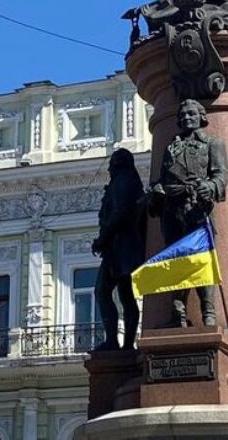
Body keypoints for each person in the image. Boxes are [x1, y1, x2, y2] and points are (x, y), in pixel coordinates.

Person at [148, 99, 228, 327]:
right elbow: (162, 178)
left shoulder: (212, 144)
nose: (186, 117)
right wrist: (157, 189)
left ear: (201, 116)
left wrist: (211, 187)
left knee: (201, 261)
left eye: (191, 113)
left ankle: (208, 314)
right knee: (177, 261)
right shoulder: (171, 147)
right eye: (182, 114)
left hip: (197, 207)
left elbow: (222, 175)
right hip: (172, 209)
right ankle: (178, 314)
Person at [91, 148, 146, 351]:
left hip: (121, 247)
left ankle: (115, 341)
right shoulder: (129, 182)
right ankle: (125, 344)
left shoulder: (122, 183)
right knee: (125, 295)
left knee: (103, 291)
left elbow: (120, 214)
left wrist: (103, 238)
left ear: (119, 164)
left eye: (112, 163)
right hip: (125, 247)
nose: (109, 167)